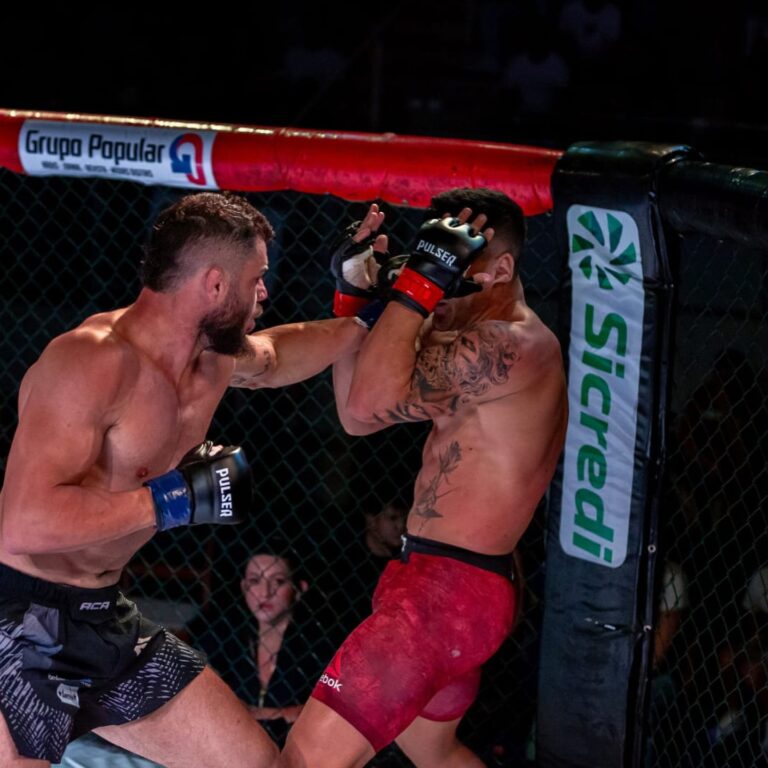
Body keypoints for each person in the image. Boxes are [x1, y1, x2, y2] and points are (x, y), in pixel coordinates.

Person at [0, 191, 369, 768]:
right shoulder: (92, 361)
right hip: (17, 615)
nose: (264, 293)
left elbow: (276, 356)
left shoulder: (213, 361)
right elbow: (23, 524)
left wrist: (367, 320)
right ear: (216, 284)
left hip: (102, 614)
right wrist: (169, 501)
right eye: (257, 278)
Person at [282, 188, 567, 767]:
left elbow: (367, 399)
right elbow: (358, 416)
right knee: (432, 753)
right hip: (445, 587)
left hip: (446, 594)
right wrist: (356, 295)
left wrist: (416, 286)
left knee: (305, 759)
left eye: (454, 263)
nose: (440, 282)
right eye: (437, 257)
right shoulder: (469, 338)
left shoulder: (510, 346)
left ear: (501, 270)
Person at [191, 546, 335, 746]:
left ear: (299, 589)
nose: (265, 593)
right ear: (244, 587)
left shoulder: (320, 642)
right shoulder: (227, 631)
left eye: (278, 581)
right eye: (255, 581)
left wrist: (254, 713)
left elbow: (331, 713)